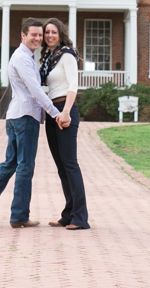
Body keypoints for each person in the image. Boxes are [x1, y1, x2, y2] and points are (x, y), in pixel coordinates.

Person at [0, 18, 70, 228]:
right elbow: (35, 91)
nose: (37, 38)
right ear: (23, 35)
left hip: (17, 115)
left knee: (10, 164)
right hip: (25, 117)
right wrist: (55, 113)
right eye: (32, 35)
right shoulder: (23, 58)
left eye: (39, 35)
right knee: (25, 166)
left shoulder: (25, 57)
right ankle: (18, 216)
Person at [39, 17, 89, 230]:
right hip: (52, 113)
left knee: (70, 164)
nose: (50, 35)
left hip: (65, 111)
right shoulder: (48, 58)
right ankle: (68, 214)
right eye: (47, 32)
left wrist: (66, 112)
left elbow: (73, 85)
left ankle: (80, 217)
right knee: (61, 167)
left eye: (53, 32)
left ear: (60, 34)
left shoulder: (66, 55)